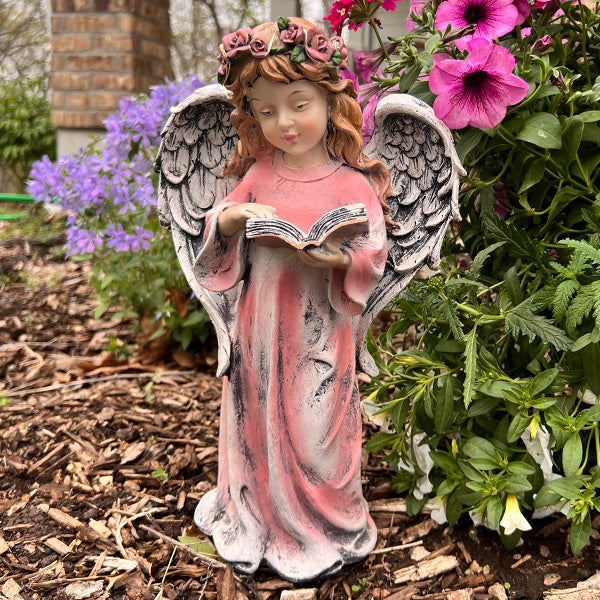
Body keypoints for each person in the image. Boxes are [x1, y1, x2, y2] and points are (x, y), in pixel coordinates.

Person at [192, 17, 392, 582]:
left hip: (322, 324)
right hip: (261, 324)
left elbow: (373, 250)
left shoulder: (352, 183)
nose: (284, 123)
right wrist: (230, 218)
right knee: (259, 417)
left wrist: (340, 261)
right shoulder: (259, 172)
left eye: (298, 105)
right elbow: (217, 232)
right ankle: (262, 517)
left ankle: (326, 523)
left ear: (331, 101)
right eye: (266, 111)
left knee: (315, 429)